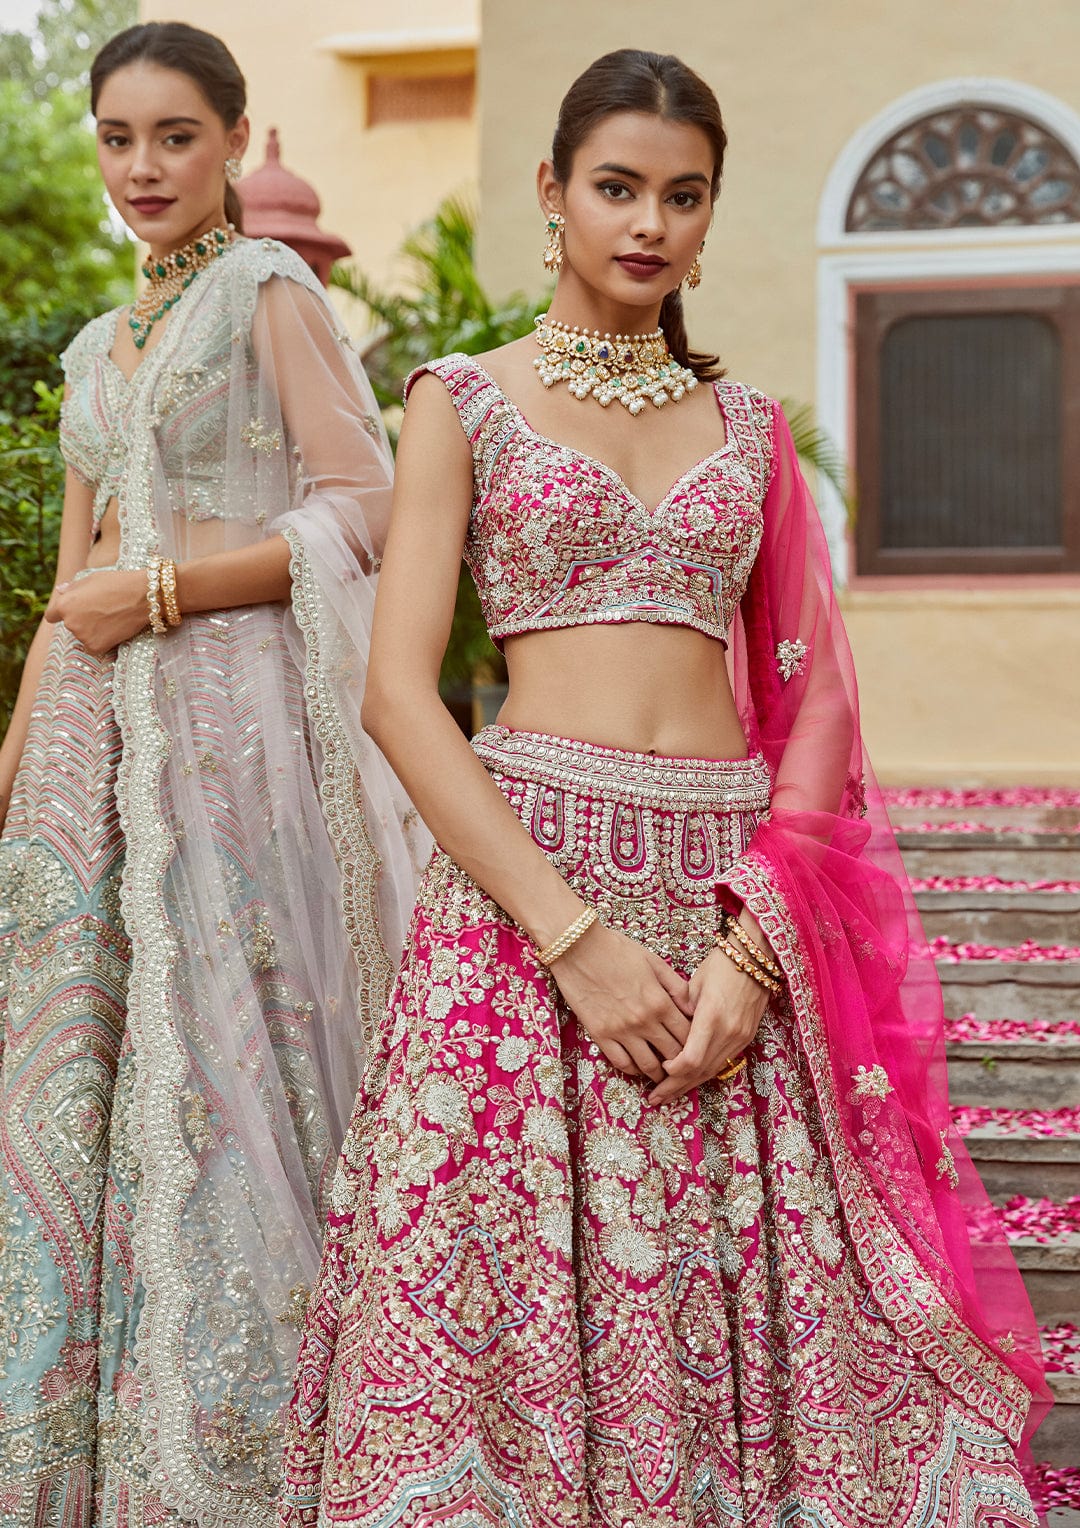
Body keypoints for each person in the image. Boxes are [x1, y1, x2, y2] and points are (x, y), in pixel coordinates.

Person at [280, 47, 1050, 1528]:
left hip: (720, 907)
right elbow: (396, 693)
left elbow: (818, 686)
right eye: (618, 187)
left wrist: (759, 946)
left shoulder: (749, 429)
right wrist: (572, 937)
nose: (650, 223)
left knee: (757, 1315)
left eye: (683, 197)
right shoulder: (461, 399)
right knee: (495, 1298)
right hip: (525, 905)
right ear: (553, 194)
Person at [0, 21, 421, 1527]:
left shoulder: (268, 293)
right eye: (116, 138)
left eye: (174, 136)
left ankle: (247, 1449)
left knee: (235, 1072)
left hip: (230, 741)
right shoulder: (95, 350)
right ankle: (99, 1457)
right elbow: (72, 577)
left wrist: (167, 595)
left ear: (235, 141)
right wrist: (20, 772)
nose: (140, 169)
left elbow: (365, 505)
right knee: (89, 1088)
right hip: (85, 755)